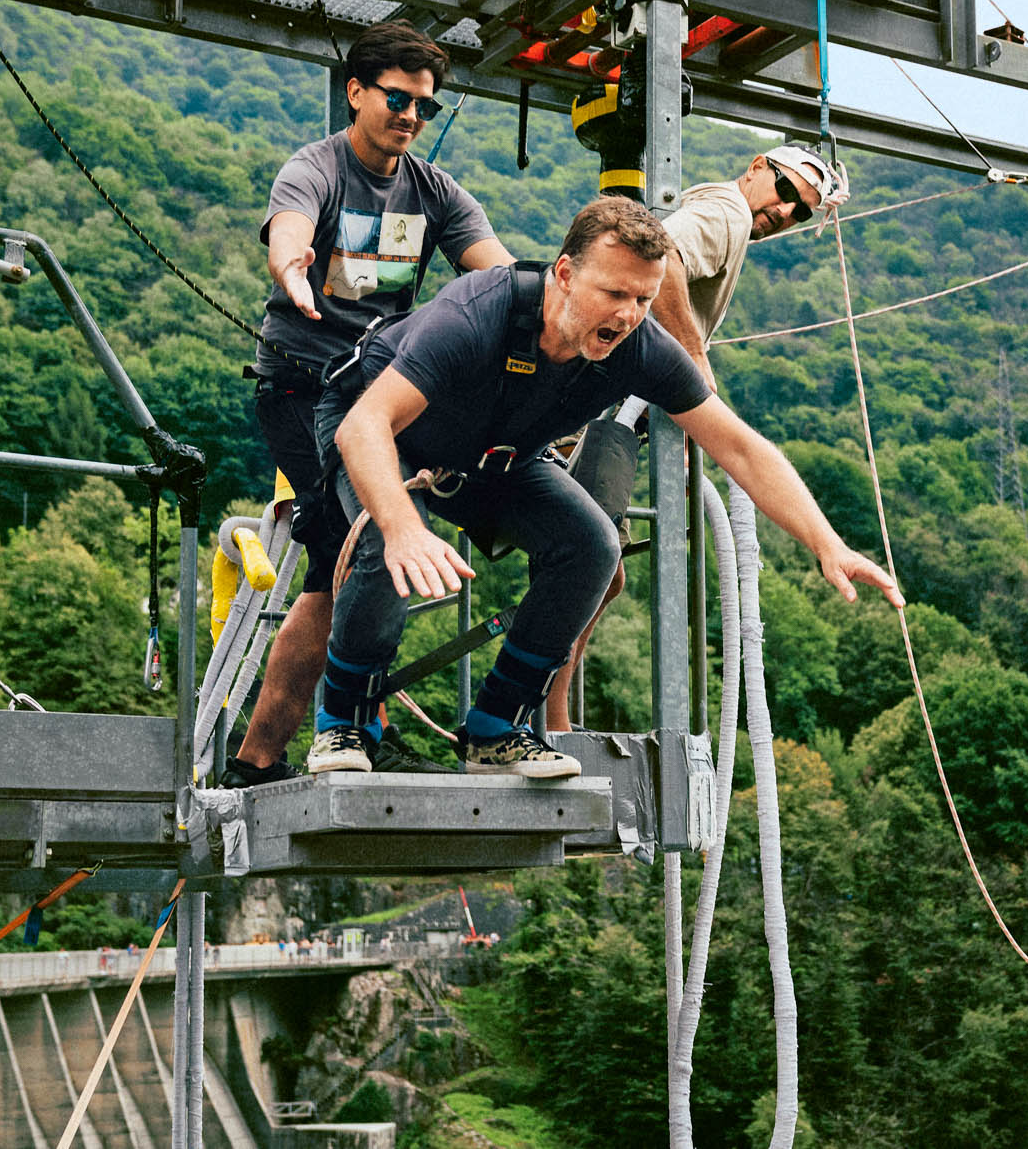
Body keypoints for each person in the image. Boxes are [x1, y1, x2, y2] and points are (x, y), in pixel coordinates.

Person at [306, 195, 901, 776]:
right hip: (385, 431)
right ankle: (344, 721)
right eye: (613, 293)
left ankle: (495, 728)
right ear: (564, 274)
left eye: (643, 298)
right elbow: (365, 426)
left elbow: (740, 447)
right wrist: (405, 528)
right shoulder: (478, 312)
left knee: (592, 545)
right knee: (389, 543)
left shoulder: (640, 346)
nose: (628, 314)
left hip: (495, 457)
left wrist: (829, 544)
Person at [227, 20, 518, 789]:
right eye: (397, 98)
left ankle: (276, 753)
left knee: (346, 566)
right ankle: (324, 737)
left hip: (381, 391)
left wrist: (548, 306)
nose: (411, 117)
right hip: (301, 387)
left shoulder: (435, 192)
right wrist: (292, 265)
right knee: (361, 545)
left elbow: (494, 274)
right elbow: (291, 223)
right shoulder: (315, 167)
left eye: (424, 106)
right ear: (356, 92)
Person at [543, 144, 848, 728]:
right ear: (758, 166)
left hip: (611, 408)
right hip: (604, 410)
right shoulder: (728, 211)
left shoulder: (731, 219)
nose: (785, 212)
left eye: (801, 212)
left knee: (598, 571)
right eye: (785, 192)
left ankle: (543, 705)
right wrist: (692, 359)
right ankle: (546, 712)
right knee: (591, 566)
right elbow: (668, 257)